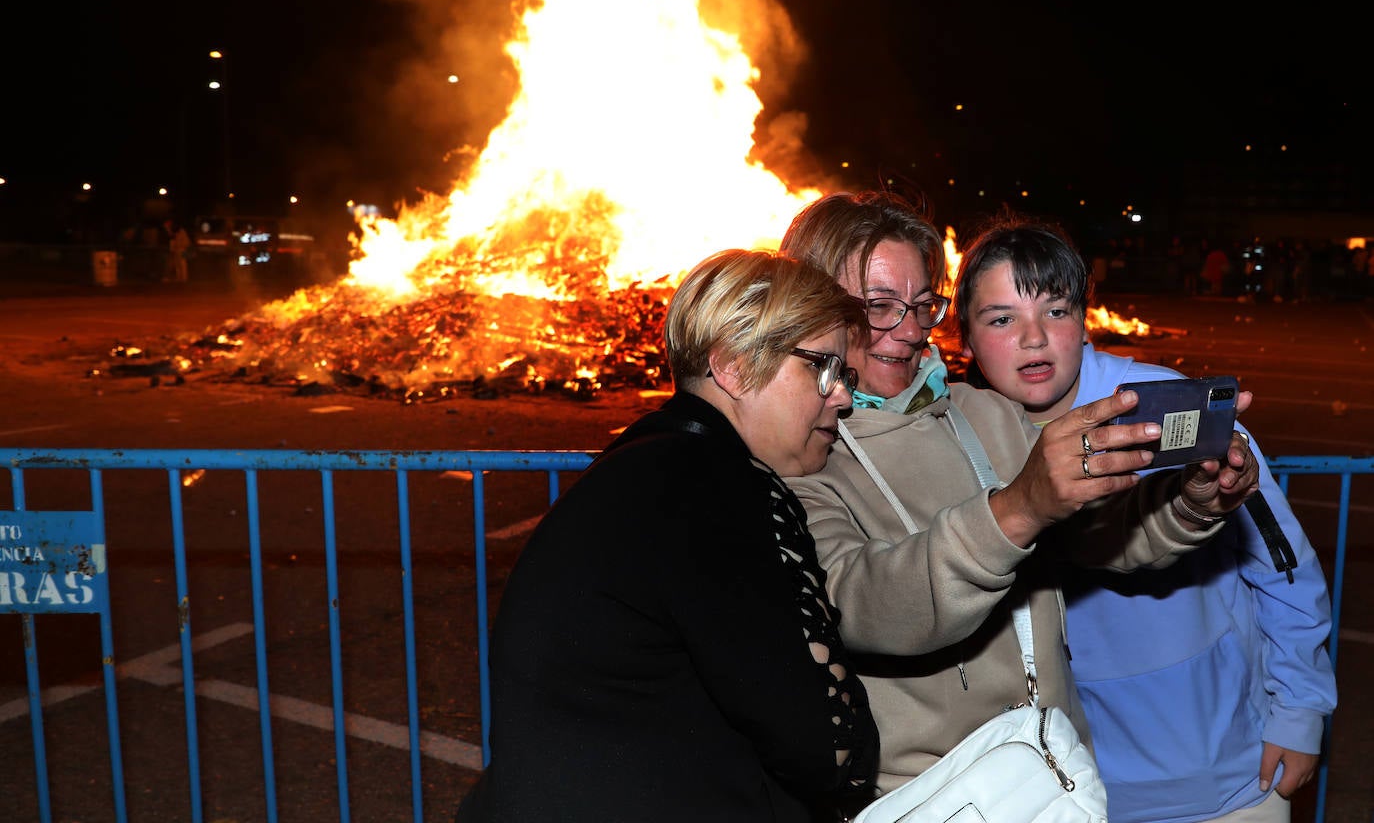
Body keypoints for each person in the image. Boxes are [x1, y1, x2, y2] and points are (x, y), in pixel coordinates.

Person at [777, 191, 1261, 796]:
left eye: (923, 305)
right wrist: (1019, 507)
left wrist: (1193, 502)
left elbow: (1100, 539)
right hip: (930, 796)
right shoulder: (799, 450)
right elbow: (863, 605)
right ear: (812, 305)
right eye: (878, 306)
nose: (907, 332)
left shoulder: (985, 413)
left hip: (1052, 778)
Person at [456, 249, 878, 823]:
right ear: (731, 365)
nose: (843, 397)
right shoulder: (719, 488)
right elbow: (829, 750)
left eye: (844, 375)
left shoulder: (647, 464)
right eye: (821, 368)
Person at [953, 217, 1336, 823]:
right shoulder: (958, 437)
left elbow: (1283, 562)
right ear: (966, 337)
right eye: (1002, 319)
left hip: (1227, 777)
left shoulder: (1172, 405)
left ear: (1084, 318)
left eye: (1055, 310)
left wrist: (1301, 710)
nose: (1033, 338)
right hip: (1066, 787)